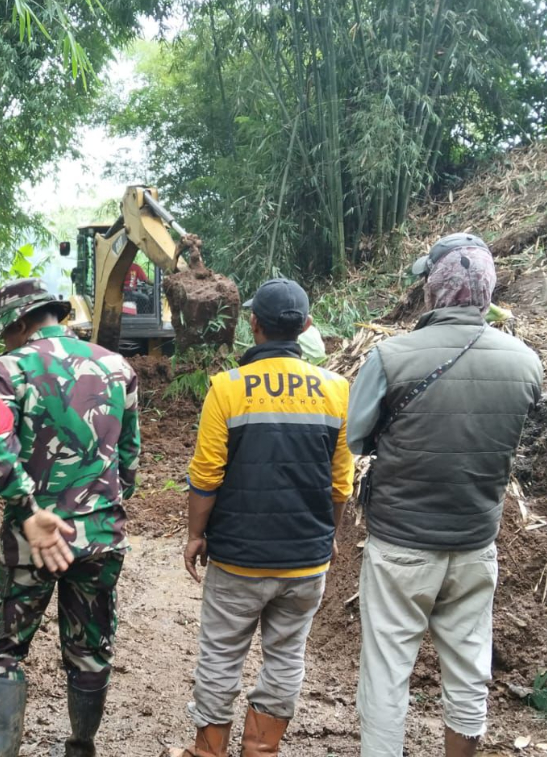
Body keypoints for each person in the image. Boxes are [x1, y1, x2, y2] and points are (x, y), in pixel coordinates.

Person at [347, 233, 542, 757]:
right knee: (469, 667)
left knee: (388, 669)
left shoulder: (390, 357)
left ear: (433, 289)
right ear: (487, 291)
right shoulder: (526, 362)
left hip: (400, 544)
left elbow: (356, 438)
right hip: (477, 543)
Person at [171, 278, 354, 757]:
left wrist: (195, 534)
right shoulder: (337, 390)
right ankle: (261, 749)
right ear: (306, 326)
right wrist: (328, 535)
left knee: (221, 655)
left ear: (253, 325)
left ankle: (208, 751)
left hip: (237, 559)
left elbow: (206, 473)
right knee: (287, 655)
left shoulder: (227, 388)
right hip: (305, 562)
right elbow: (341, 483)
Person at [0, 277, 140, 757]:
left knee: (1, 650)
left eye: (5, 331)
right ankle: (81, 746)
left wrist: (27, 509)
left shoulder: (7, 369)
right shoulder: (117, 366)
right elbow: (129, 458)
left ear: (20, 323)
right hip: (102, 534)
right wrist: (101, 505)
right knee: (89, 648)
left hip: (33, 539)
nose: (4, 341)